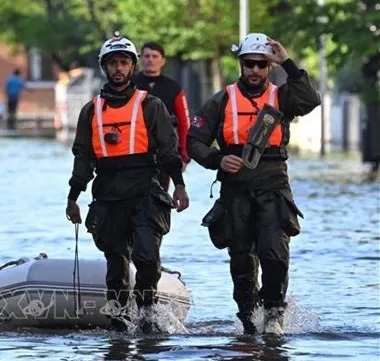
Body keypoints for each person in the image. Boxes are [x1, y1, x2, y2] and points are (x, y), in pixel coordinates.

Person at [187, 33, 321, 335]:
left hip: (273, 186)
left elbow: (311, 99)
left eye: (262, 65)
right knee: (242, 264)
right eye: (250, 64)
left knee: (275, 254)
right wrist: (217, 159)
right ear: (241, 64)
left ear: (269, 67)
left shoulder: (282, 97)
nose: (255, 71)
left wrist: (287, 62)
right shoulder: (220, 100)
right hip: (235, 192)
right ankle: (249, 319)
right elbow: (194, 141)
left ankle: (274, 313)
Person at [65, 33, 190, 333]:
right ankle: (119, 321)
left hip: (146, 190)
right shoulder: (90, 111)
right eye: (113, 64)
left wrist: (180, 186)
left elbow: (169, 151)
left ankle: (147, 312)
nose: (118, 69)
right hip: (108, 194)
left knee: (147, 258)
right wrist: (73, 197)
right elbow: (83, 158)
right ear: (104, 68)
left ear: (132, 67)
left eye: (124, 63)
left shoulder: (151, 105)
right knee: (116, 264)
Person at [134, 41, 192, 191]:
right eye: (146, 56)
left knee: (160, 197)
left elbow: (184, 122)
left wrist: (184, 154)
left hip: (163, 151)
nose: (150, 60)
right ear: (140, 59)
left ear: (163, 60)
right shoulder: (131, 84)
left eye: (154, 56)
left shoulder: (173, 87)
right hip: (134, 152)